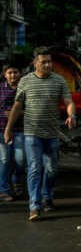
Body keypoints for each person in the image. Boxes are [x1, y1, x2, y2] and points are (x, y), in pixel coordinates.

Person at [4, 47, 76, 221]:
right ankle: (34, 207)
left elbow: (69, 101)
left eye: (49, 61)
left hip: (52, 133)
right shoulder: (25, 81)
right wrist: (8, 129)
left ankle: (47, 195)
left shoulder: (59, 80)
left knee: (51, 169)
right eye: (43, 62)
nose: (47, 65)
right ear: (35, 63)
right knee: (35, 168)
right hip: (31, 132)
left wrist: (71, 114)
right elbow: (17, 107)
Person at [0, 62, 25, 201]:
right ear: (5, 74)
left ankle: (17, 179)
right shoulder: (0, 89)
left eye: (15, 72)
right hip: (2, 129)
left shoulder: (24, 88)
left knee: (21, 159)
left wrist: (17, 113)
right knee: (4, 160)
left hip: (20, 129)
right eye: (10, 72)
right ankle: (3, 190)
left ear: (20, 73)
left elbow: (31, 108)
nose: (13, 75)